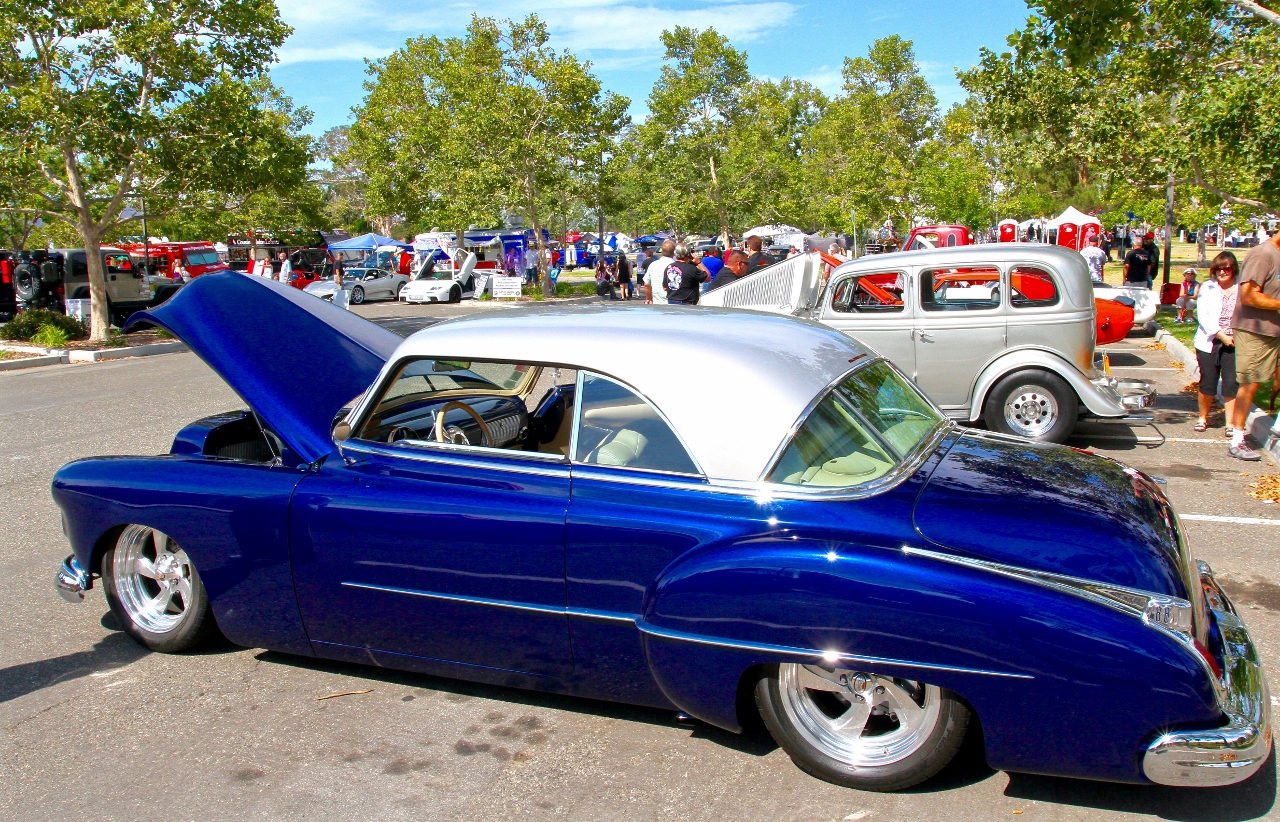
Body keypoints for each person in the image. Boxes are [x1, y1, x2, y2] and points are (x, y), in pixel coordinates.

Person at [1227, 228, 1280, 460]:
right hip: (1255, 330)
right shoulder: (1263, 254)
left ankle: (1276, 427)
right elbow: (1249, 295)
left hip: (1275, 330)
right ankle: (1237, 440)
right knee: (1251, 383)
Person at [1193, 253, 1239, 433]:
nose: (1222, 272)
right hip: (1210, 341)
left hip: (1235, 342)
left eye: (1226, 268)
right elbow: (1203, 315)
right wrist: (1221, 335)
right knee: (1208, 382)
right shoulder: (1208, 287)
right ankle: (1203, 418)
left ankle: (1230, 424)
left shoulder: (1241, 287)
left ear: (1233, 268)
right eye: (1218, 268)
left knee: (1231, 383)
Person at [644, 240, 675, 304]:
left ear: (662, 252)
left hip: (657, 302)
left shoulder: (653, 265)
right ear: (673, 253)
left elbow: (647, 285)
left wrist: (649, 299)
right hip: (672, 302)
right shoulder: (676, 266)